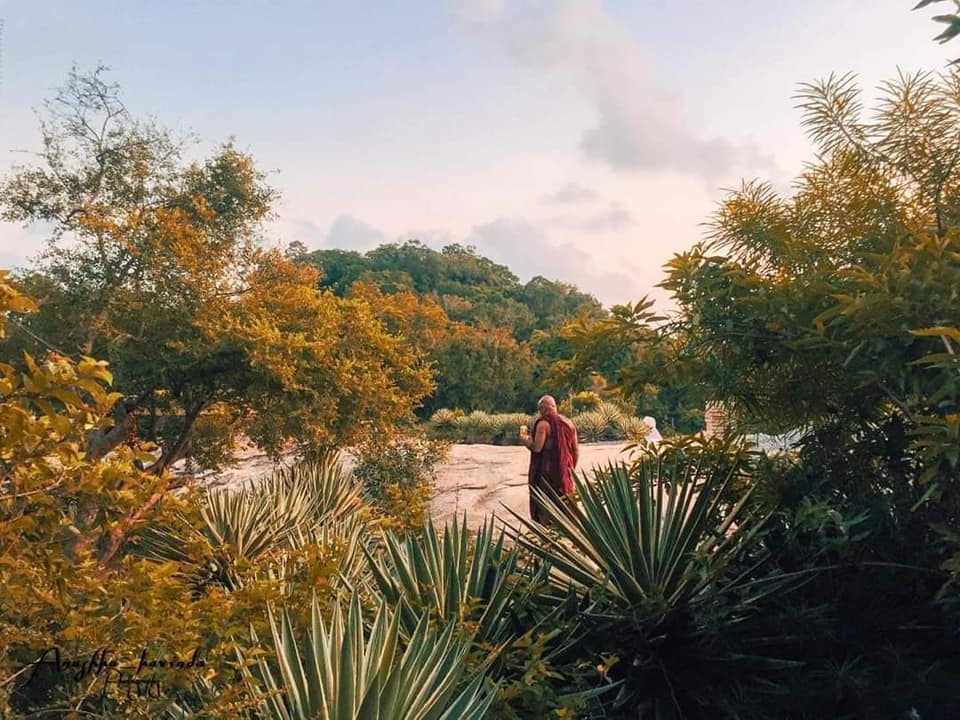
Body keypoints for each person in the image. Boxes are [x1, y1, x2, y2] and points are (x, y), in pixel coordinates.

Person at [521, 395, 579, 524]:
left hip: (546, 473)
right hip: (565, 472)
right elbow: (575, 450)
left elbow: (537, 448)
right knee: (567, 503)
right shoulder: (569, 423)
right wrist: (570, 469)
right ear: (554, 407)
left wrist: (525, 441)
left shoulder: (543, 424)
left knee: (545, 504)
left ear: (542, 409)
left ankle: (546, 535)